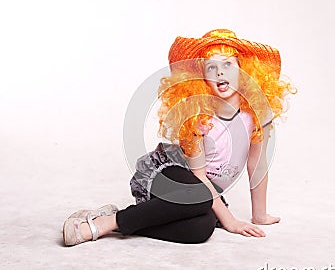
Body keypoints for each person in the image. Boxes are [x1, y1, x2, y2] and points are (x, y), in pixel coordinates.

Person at [63, 29, 297, 246]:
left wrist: (260, 214)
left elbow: (257, 165)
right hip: (169, 176)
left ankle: (126, 221)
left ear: (244, 70)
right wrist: (231, 221)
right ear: (202, 77)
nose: (220, 72)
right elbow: (199, 175)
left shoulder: (257, 114)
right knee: (202, 196)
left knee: (201, 229)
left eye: (227, 64)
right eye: (211, 67)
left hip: (202, 193)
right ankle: (106, 222)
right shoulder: (197, 115)